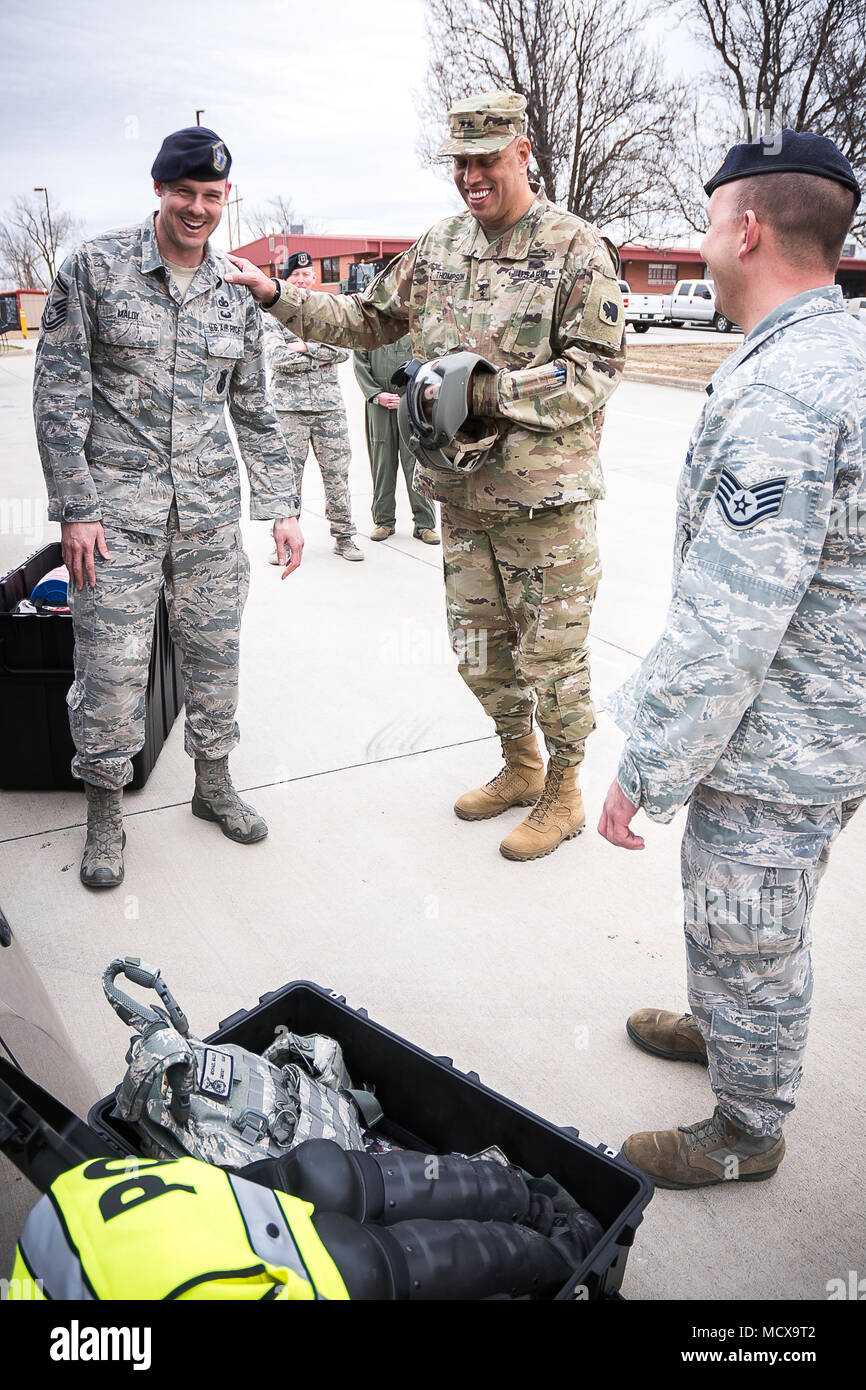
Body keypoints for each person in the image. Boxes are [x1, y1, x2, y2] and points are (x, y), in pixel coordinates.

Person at [227, 91, 625, 861]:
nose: (472, 175)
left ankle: (566, 791)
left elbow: (595, 370)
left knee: (553, 656)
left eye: (486, 158)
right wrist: (276, 296)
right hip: (462, 498)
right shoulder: (440, 247)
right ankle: (519, 765)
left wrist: (484, 393)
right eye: (461, 162)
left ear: (522, 152)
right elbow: (365, 320)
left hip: (545, 504)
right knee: (478, 647)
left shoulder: (575, 248)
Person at [598, 130, 865, 1188]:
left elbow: (728, 620)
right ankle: (720, 1024)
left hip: (778, 733)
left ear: (744, 229)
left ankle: (745, 1129)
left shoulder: (784, 392)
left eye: (709, 225)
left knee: (748, 925)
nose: (704, 246)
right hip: (826, 715)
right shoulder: (838, 349)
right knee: (746, 914)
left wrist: (643, 768)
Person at [33, 127, 303, 889]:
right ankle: (105, 815)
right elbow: (58, 393)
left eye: (211, 196)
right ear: (159, 190)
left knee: (216, 655)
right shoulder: (94, 268)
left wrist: (282, 504)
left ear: (226, 199)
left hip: (209, 511)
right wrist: (75, 508)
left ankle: (212, 786)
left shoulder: (236, 290)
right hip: (114, 518)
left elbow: (254, 405)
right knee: (112, 668)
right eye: (183, 192)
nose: (197, 208)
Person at [8, 1144, 601, 1300]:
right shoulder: (46, 1219)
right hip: (145, 1201)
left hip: (194, 1276)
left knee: (365, 1266)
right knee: (325, 1178)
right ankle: (545, 1211)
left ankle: (566, 1251)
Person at [263, 251, 363, 563]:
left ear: (314, 278)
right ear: (286, 279)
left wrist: (306, 347)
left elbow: (345, 351)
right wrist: (322, 354)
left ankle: (345, 537)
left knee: (337, 475)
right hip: (288, 410)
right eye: (296, 276)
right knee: (288, 476)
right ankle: (285, 541)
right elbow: (276, 358)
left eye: (307, 276)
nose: (303, 280)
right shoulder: (272, 315)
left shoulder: (327, 312)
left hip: (328, 409)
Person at [352, 333, 440, 544]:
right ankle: (384, 521)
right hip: (379, 406)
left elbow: (429, 365)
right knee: (382, 463)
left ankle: (425, 524)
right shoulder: (368, 331)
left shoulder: (415, 329)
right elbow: (359, 364)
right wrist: (375, 394)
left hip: (411, 405)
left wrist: (411, 396)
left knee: (417, 463)